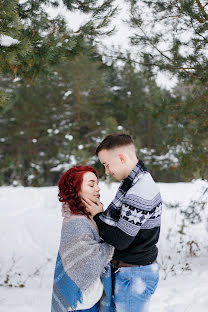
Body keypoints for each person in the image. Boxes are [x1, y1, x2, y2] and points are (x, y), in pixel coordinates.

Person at [83, 134, 162, 312]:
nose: (107, 171)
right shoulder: (135, 182)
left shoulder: (139, 191)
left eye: (106, 164)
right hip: (132, 272)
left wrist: (97, 216)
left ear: (121, 157)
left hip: (134, 275)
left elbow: (120, 239)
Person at [51, 166, 115, 312]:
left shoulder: (89, 216)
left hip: (91, 298)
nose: (98, 188)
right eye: (91, 185)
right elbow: (89, 261)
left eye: (97, 184)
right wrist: (111, 241)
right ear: (76, 189)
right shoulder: (76, 221)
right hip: (81, 302)